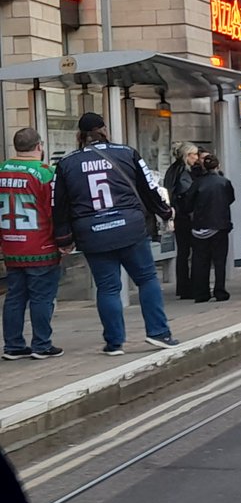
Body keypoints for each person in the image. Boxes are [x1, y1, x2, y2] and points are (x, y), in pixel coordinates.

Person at [52, 113, 179, 355]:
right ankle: (159, 333)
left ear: (79, 136)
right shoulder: (127, 153)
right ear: (105, 131)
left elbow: (59, 205)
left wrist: (64, 239)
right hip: (130, 228)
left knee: (108, 288)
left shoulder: (66, 163)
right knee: (146, 279)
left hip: (92, 233)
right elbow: (149, 189)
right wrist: (165, 212)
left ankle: (114, 343)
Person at [1, 129, 63, 361]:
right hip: (41, 246)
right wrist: (63, 241)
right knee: (41, 297)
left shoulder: (1, 170)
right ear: (39, 146)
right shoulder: (45, 173)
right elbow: (53, 210)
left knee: (15, 297)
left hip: (11, 246)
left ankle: (13, 345)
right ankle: (41, 344)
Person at [181, 154, 235, 302]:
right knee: (219, 260)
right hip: (220, 225)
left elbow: (188, 203)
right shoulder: (224, 182)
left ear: (204, 166)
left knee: (200, 261)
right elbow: (231, 199)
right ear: (218, 166)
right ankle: (220, 290)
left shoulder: (197, 183)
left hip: (199, 226)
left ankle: (201, 292)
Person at [163, 142, 199, 299]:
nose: (196, 158)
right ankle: (188, 286)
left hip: (177, 215)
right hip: (185, 216)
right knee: (191, 252)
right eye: (194, 155)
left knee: (182, 252)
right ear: (187, 155)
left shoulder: (172, 170)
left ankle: (182, 286)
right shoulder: (184, 172)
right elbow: (189, 194)